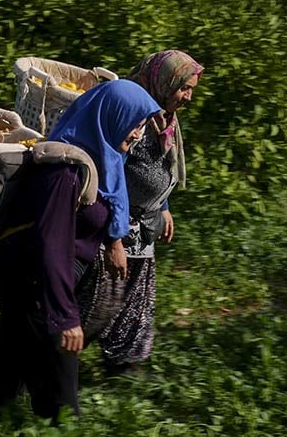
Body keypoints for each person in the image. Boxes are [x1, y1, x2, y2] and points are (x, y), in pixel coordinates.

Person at [0, 79, 161, 421]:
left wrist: (113, 241)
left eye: (142, 125)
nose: (138, 134)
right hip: (28, 274)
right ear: (111, 117)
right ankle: (61, 422)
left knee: (12, 345)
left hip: (42, 273)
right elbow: (50, 246)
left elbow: (105, 210)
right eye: (135, 124)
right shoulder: (64, 171)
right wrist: (65, 317)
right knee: (57, 361)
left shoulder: (104, 159)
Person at [78, 50, 203, 372]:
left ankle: (122, 363)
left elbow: (161, 166)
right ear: (165, 82)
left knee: (135, 296)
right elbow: (112, 173)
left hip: (142, 222)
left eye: (191, 89)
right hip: (115, 221)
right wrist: (114, 239)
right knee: (99, 299)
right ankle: (49, 359)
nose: (188, 97)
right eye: (183, 88)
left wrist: (162, 204)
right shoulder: (132, 115)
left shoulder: (163, 117)